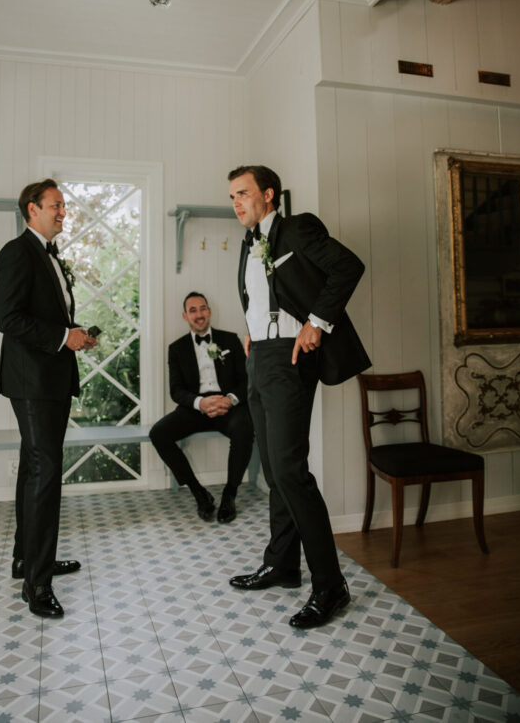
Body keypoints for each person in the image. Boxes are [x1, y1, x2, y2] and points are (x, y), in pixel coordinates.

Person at [227, 165, 370, 629]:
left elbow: (348, 266)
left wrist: (317, 323)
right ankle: (282, 565)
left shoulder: (297, 228)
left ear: (268, 194)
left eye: (243, 193)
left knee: (290, 470)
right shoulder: (248, 242)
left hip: (290, 359)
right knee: (274, 469)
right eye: (232, 196)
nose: (237, 203)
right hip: (258, 358)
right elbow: (260, 295)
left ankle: (330, 586)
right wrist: (251, 332)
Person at [0, 178, 97, 618]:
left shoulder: (50, 255)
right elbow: (7, 318)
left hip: (50, 378)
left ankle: (27, 559)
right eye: (56, 205)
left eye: (64, 206)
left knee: (34, 469)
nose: (63, 212)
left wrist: (74, 335)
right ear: (32, 209)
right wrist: (61, 337)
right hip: (32, 381)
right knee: (45, 473)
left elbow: (46, 316)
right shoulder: (17, 253)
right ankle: (37, 585)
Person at [150, 292, 253, 523]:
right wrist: (200, 403)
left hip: (227, 404)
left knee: (245, 428)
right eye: (193, 310)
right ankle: (199, 493)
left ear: (209, 311)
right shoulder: (176, 348)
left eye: (202, 308)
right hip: (195, 407)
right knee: (158, 433)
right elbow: (176, 390)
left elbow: (246, 379)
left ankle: (230, 494)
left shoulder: (230, 340)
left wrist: (229, 399)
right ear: (185, 316)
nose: (199, 314)